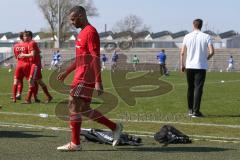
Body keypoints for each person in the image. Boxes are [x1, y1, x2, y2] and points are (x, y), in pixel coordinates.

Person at [56, 6, 123, 151]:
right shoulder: (81, 34)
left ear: (81, 15)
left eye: (73, 19)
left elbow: (95, 58)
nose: (72, 23)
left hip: (86, 76)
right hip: (79, 75)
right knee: (84, 109)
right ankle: (115, 127)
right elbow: (80, 58)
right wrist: (67, 71)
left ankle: (75, 144)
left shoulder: (91, 32)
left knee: (73, 104)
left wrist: (98, 81)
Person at [180, 19, 214, 118]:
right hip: (200, 66)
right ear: (201, 26)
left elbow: (182, 52)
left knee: (190, 88)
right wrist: (206, 58)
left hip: (189, 66)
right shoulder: (206, 36)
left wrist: (182, 64)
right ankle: (196, 111)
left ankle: (190, 110)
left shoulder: (187, 36)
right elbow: (212, 51)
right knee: (198, 88)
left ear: (193, 25)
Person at [18, 31, 53, 103]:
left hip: (35, 65)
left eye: (26, 36)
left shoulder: (31, 43)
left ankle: (28, 99)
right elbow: (39, 53)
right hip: (35, 64)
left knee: (31, 80)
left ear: (30, 37)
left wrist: (23, 55)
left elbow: (32, 54)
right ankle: (49, 97)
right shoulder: (31, 43)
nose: (24, 37)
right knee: (39, 81)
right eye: (24, 36)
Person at [12, 32, 30, 102]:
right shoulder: (27, 45)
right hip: (26, 65)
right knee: (31, 81)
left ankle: (14, 97)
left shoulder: (15, 46)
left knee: (16, 81)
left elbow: (16, 57)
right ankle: (32, 97)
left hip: (19, 65)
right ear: (23, 37)